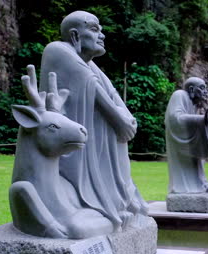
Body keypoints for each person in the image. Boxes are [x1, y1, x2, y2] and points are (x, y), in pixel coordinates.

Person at [39, 11, 148, 231]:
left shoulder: (91, 65)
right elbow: (89, 84)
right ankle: (99, 206)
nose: (103, 35)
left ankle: (118, 202)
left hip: (103, 142)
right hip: (74, 144)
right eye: (95, 29)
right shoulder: (58, 50)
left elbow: (111, 92)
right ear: (75, 35)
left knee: (120, 165)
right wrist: (118, 120)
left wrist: (127, 117)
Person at [165, 77, 208, 194]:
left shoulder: (193, 104)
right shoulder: (179, 95)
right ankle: (187, 188)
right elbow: (174, 118)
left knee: (197, 159)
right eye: (202, 88)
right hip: (178, 141)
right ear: (191, 89)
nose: (205, 91)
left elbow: (199, 123)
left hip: (189, 140)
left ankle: (200, 183)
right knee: (188, 162)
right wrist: (202, 119)